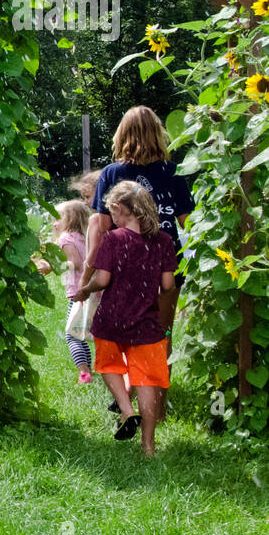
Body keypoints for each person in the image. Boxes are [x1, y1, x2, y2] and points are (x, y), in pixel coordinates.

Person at [79, 107, 192, 416]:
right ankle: (157, 404)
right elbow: (188, 222)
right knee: (160, 333)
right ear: (159, 134)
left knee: (122, 331)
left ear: (122, 135)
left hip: (123, 265)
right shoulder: (174, 171)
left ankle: (127, 394)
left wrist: (91, 271)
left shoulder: (112, 174)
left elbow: (102, 226)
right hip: (165, 263)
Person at [73, 181, 176, 456]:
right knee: (147, 382)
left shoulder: (114, 239)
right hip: (147, 323)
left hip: (111, 320)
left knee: (108, 366)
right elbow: (167, 286)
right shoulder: (164, 241)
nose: (112, 219)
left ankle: (126, 410)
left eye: (112, 212)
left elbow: (103, 279)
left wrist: (85, 289)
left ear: (120, 209)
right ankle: (149, 447)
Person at [37, 199, 93, 383]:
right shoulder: (85, 237)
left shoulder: (66, 238)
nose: (54, 223)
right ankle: (91, 369)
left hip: (79, 293)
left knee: (72, 335)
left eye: (58, 218)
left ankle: (84, 372)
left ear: (72, 219)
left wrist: (51, 266)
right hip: (92, 291)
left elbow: (74, 263)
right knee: (82, 331)